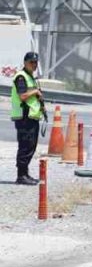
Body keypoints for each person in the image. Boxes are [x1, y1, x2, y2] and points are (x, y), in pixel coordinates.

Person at [10, 52, 43, 185]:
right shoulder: (21, 77)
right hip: (24, 117)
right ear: (25, 62)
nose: (34, 65)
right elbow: (23, 96)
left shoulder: (31, 77)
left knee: (31, 146)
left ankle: (25, 174)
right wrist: (35, 91)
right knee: (25, 146)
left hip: (31, 117)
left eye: (35, 62)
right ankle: (21, 176)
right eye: (31, 62)